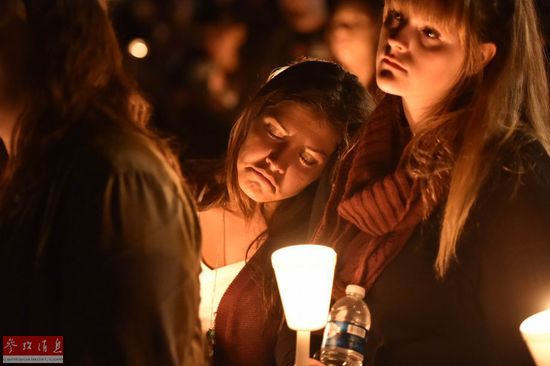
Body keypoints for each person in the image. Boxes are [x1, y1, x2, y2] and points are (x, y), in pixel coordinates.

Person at [313, 0, 550, 365]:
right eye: (395, 17)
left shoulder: (511, 172)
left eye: (429, 33)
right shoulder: (358, 154)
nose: (395, 40)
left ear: (479, 57)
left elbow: (522, 345)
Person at [0, 1, 206, 365]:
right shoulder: (40, 173)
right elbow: (42, 340)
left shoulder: (119, 177)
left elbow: (124, 352)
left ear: (50, 43)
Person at [185, 59, 370, 365]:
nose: (277, 161)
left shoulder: (312, 260)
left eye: (308, 158)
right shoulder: (177, 193)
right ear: (251, 115)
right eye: (273, 131)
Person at [327, 0, 384, 92]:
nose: (341, 32)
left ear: (377, 29)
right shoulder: (321, 90)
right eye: (337, 23)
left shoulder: (390, 93)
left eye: (356, 23)